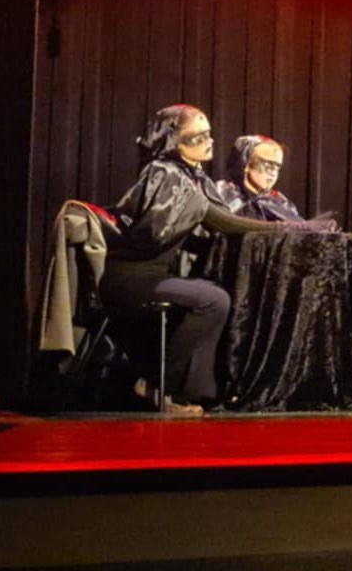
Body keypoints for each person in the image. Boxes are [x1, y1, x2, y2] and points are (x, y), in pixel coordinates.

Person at [102, 104, 282, 415]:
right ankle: (157, 383)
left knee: (216, 293)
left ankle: (193, 392)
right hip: (130, 276)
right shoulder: (165, 173)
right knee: (213, 300)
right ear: (174, 140)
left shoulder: (195, 177)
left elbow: (212, 221)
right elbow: (223, 222)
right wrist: (283, 229)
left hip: (153, 274)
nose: (209, 142)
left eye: (208, 134)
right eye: (198, 137)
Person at [218, 134, 338, 230]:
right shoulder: (224, 193)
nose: (273, 173)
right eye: (267, 165)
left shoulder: (278, 201)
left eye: (277, 167)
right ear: (246, 164)